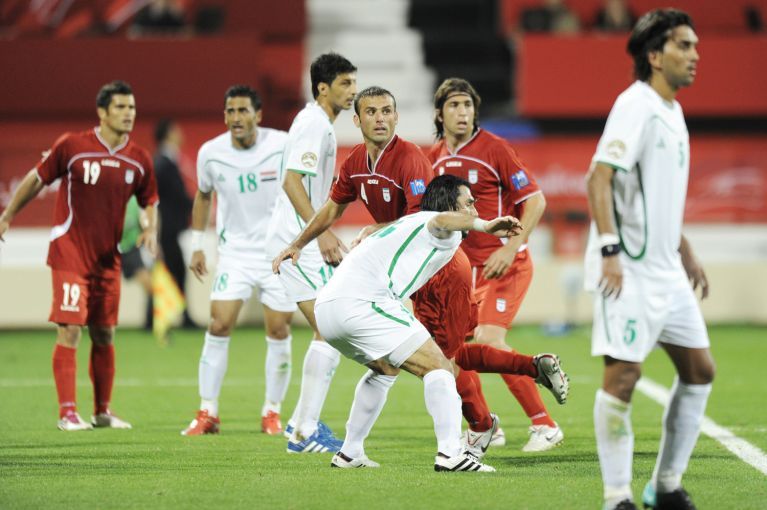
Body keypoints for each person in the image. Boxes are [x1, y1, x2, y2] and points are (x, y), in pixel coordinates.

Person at [272, 86, 568, 462]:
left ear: (397, 117)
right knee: (419, 360)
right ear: (357, 120)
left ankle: (501, 425)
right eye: (372, 112)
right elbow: (332, 209)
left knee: (446, 357)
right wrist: (299, 242)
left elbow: (430, 220)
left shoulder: (413, 158)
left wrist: (487, 228)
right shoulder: (360, 160)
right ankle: (479, 420)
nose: (380, 118)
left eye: (387, 111)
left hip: (441, 267)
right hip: (409, 272)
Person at [585, 10, 714, 510]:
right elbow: (598, 178)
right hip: (630, 270)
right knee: (623, 377)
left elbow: (655, 195)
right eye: (684, 45)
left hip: (666, 270)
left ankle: (664, 487)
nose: (695, 55)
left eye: (695, 45)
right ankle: (616, 496)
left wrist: (684, 248)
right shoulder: (635, 104)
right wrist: (609, 250)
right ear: (655, 56)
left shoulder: (672, 111)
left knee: (700, 370)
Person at [0, 80, 158, 431]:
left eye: (132, 107)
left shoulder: (139, 159)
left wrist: (150, 228)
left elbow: (149, 200)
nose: (128, 114)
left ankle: (102, 412)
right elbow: (36, 179)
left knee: (104, 334)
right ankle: (67, 413)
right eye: (120, 107)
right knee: (71, 328)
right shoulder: (72, 146)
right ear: (102, 111)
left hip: (108, 259)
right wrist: (7, 215)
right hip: (70, 252)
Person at [429, 77, 562, 452]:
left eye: (468, 105)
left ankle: (545, 425)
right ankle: (485, 426)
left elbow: (535, 201)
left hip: (504, 264)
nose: (463, 112)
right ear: (439, 113)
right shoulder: (433, 156)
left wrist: (511, 247)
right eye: (454, 105)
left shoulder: (495, 148)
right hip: (463, 273)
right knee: (453, 352)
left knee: (488, 340)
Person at [180, 85, 297, 436]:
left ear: (258, 115)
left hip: (277, 253)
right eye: (230, 111)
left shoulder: (281, 144)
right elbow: (203, 196)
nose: (236, 117)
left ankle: (272, 411)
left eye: (243, 110)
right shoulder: (211, 153)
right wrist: (198, 245)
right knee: (218, 325)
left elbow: (302, 185)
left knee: (279, 330)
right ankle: (208, 411)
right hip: (235, 255)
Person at [265, 52, 357, 453]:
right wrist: (319, 235)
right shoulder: (314, 124)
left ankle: (301, 425)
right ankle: (303, 430)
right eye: (345, 84)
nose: (352, 91)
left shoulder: (319, 124)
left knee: (331, 328)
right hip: (295, 245)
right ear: (323, 88)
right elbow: (291, 182)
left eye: (353, 83)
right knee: (330, 328)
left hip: (299, 241)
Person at [153, 118, 196, 329]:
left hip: (167, 227)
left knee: (170, 270)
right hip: (166, 227)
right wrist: (196, 205)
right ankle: (181, 316)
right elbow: (174, 195)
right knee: (174, 270)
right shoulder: (163, 163)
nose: (180, 134)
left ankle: (160, 317)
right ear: (169, 133)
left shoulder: (166, 161)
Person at [120, 195, 153, 331]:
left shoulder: (135, 201)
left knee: (149, 286)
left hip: (131, 249)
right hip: (110, 248)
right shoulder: (107, 197)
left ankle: (150, 324)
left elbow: (144, 223)